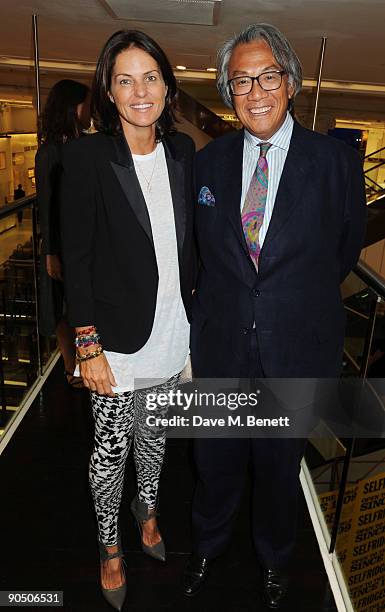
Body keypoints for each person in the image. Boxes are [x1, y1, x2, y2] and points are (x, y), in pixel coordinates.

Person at [183, 23, 366, 608]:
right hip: (221, 348)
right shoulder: (207, 166)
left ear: (290, 82)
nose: (255, 91)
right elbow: (201, 261)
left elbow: (342, 251)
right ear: (227, 91)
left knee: (278, 468)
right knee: (215, 462)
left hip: (295, 348)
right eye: (240, 81)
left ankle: (274, 561)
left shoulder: (334, 162)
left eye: (267, 76)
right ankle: (208, 547)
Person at [60, 30, 195, 611]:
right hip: (115, 341)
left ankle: (148, 509)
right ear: (109, 93)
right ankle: (110, 547)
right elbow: (78, 257)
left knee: (155, 437)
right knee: (110, 448)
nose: (140, 91)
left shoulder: (186, 153)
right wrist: (87, 346)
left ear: (166, 85)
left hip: (172, 330)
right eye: (125, 80)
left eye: (150, 77)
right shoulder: (88, 157)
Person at [35, 79, 90, 387]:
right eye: (86, 103)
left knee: (77, 303)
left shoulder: (81, 144)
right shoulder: (50, 152)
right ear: (73, 107)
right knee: (63, 307)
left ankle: (82, 363)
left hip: (81, 241)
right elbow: (47, 207)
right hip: (60, 245)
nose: (90, 110)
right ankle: (72, 368)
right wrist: (51, 252)